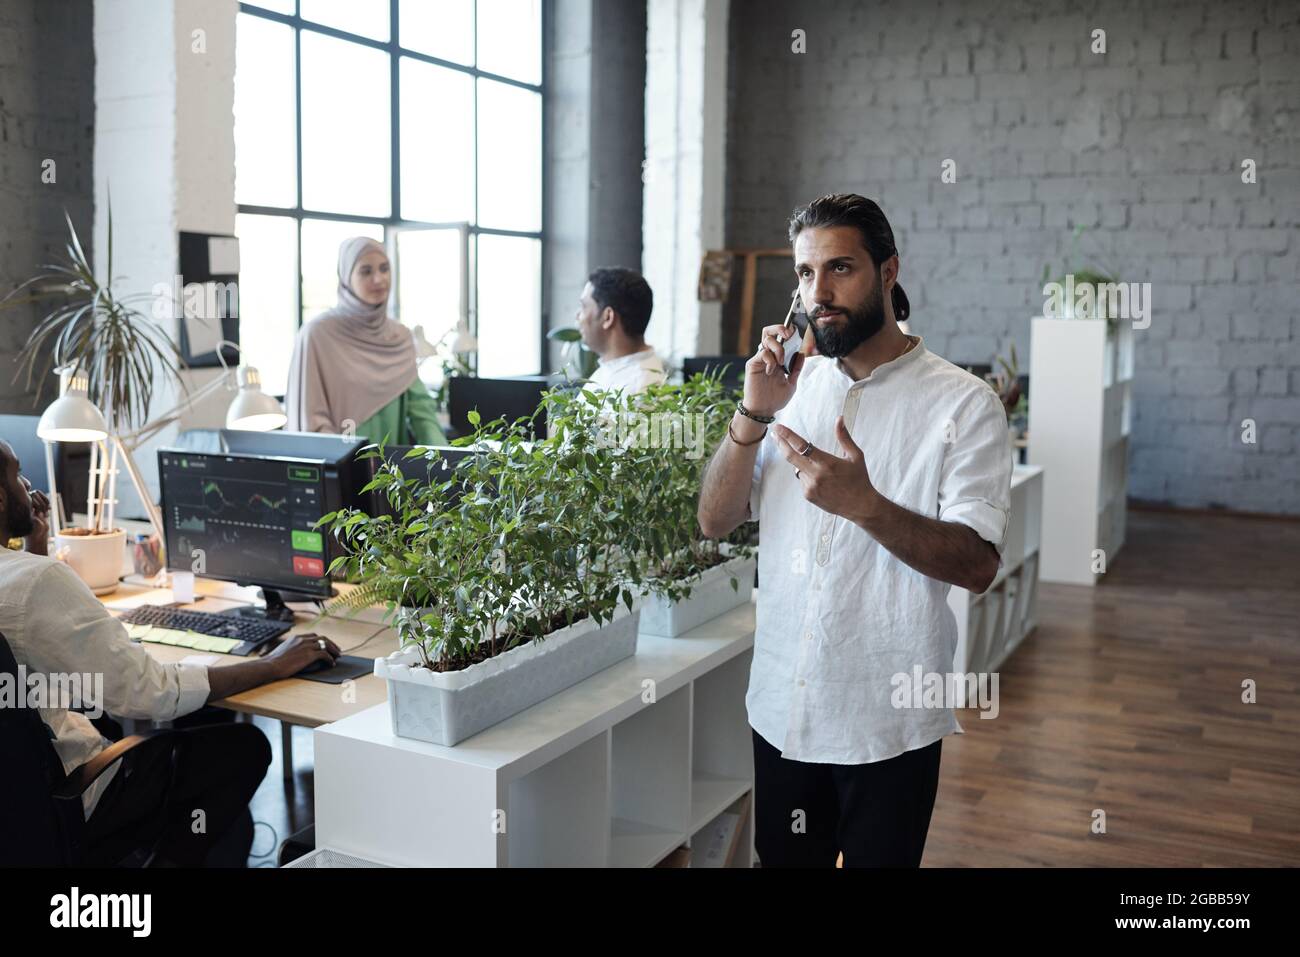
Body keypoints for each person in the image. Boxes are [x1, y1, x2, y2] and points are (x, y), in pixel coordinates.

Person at [697, 193, 1013, 868]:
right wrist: (751, 414)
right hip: (784, 703)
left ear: (888, 271)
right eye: (807, 274)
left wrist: (866, 504)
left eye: (840, 268)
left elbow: (978, 563)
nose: (820, 291)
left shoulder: (965, 403)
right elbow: (713, 519)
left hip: (888, 719)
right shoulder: (789, 388)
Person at [0, 439, 343, 866]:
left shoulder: (24, 579)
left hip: (15, 800)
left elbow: (24, 638)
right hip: (72, 791)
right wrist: (272, 665)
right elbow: (151, 693)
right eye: (16, 474)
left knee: (190, 725)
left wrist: (36, 548)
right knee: (243, 748)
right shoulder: (39, 583)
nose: (27, 483)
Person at [286, 236, 447, 446]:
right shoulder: (317, 335)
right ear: (346, 277)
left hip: (390, 473)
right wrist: (343, 468)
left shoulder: (399, 337)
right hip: (340, 468)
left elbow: (421, 412)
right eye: (366, 271)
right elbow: (311, 419)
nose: (379, 279)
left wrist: (447, 463)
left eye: (384, 268)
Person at [576, 267, 666, 395]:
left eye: (584, 306)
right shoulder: (613, 370)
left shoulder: (639, 391)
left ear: (608, 317)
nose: (578, 316)